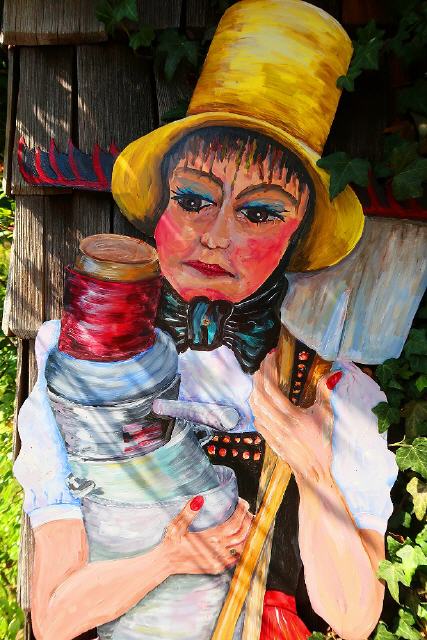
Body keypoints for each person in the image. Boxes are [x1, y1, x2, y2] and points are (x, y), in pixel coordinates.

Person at [14, 1, 398, 639]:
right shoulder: (81, 366)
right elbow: (54, 618)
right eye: (193, 199)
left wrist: (313, 467)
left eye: (260, 213)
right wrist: (166, 560)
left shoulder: (330, 389)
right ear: (159, 210)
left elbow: (354, 620)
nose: (216, 236)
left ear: (296, 240)